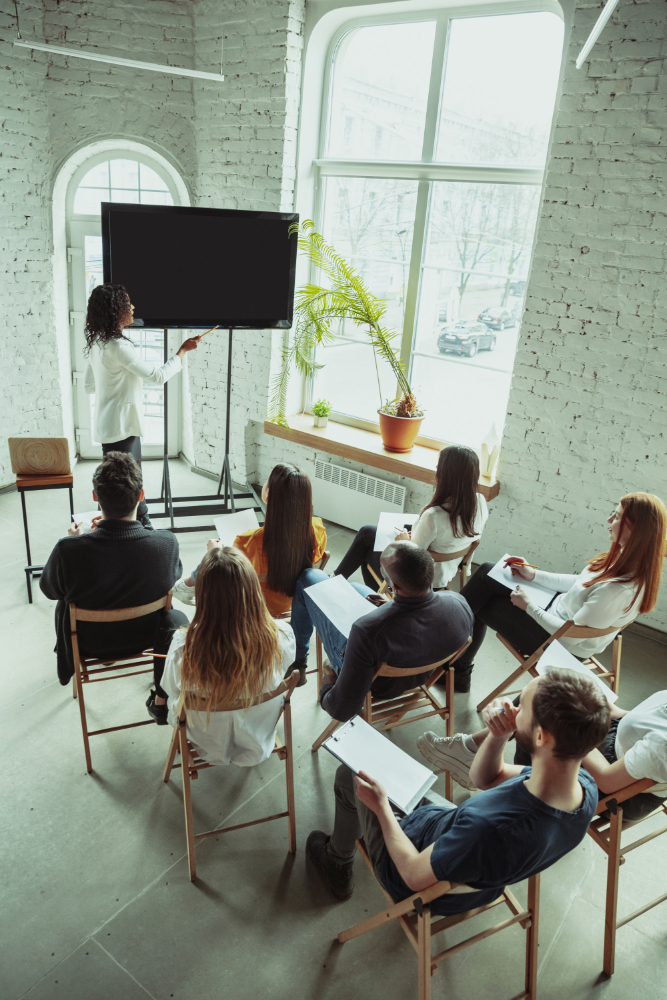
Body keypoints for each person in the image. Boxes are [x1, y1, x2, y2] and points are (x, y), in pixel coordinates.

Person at [307, 669, 610, 906]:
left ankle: (337, 861)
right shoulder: (583, 786)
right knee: (399, 778)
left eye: (521, 706)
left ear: (541, 737)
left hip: (412, 869)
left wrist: (382, 807)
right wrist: (499, 734)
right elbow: (486, 780)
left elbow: (413, 874)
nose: (513, 708)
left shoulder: (488, 829)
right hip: (477, 876)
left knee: (350, 775)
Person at [451, 492, 666, 692]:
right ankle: (457, 666)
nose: (609, 520)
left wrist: (529, 607)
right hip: (554, 611)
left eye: (617, 517)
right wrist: (533, 575)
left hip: (554, 641)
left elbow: (569, 637)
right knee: (489, 570)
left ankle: (453, 663)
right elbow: (580, 583)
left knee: (482, 600)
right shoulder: (627, 559)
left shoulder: (618, 590)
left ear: (637, 531)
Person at [39, 452, 186, 723]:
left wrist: (77, 540)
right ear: (141, 496)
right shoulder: (166, 545)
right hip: (148, 637)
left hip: (88, 643)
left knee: (65, 599)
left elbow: (50, 590)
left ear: (95, 496)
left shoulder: (68, 550)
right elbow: (171, 579)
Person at [420, 688, 667, 825]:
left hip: (620, 784)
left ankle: (522, 791)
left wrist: (574, 732)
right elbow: (636, 719)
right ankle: (473, 750)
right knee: (544, 689)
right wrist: (604, 707)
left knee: (544, 710)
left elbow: (606, 780)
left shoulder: (663, 746)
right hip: (620, 744)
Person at [174, 464, 326, 683]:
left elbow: (234, 579)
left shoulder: (250, 540)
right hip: (293, 605)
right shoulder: (318, 531)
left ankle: (189, 583)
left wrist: (217, 552)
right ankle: (189, 581)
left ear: (268, 496)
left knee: (219, 558)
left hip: (257, 610)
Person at [291, 541, 473, 720]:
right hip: (418, 676)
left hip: (378, 685)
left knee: (308, 577)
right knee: (354, 588)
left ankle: (299, 660)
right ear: (431, 566)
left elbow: (342, 710)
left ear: (394, 588)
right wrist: (391, 604)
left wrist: (327, 688)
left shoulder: (366, 631)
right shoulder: (459, 603)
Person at [161, 547, 296, 766]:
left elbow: (170, 690)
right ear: (252, 589)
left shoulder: (183, 646)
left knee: (175, 698)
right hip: (258, 732)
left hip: (204, 738)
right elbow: (285, 668)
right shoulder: (282, 635)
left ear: (203, 596)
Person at [83, 283, 200, 528]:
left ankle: (121, 530)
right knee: (130, 484)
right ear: (116, 311)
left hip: (107, 426)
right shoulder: (119, 347)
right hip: (124, 426)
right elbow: (157, 376)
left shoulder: (97, 342)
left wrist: (117, 384)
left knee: (115, 485)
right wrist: (182, 352)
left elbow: (89, 386)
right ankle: (145, 529)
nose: (133, 307)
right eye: (127, 304)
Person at [334, 445, 488, 591]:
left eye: (439, 467)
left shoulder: (433, 516)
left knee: (366, 546)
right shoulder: (480, 502)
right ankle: (336, 580)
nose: (435, 469)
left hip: (419, 579)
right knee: (368, 532)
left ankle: (338, 583)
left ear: (446, 475)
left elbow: (413, 560)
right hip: (446, 572)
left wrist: (403, 542)